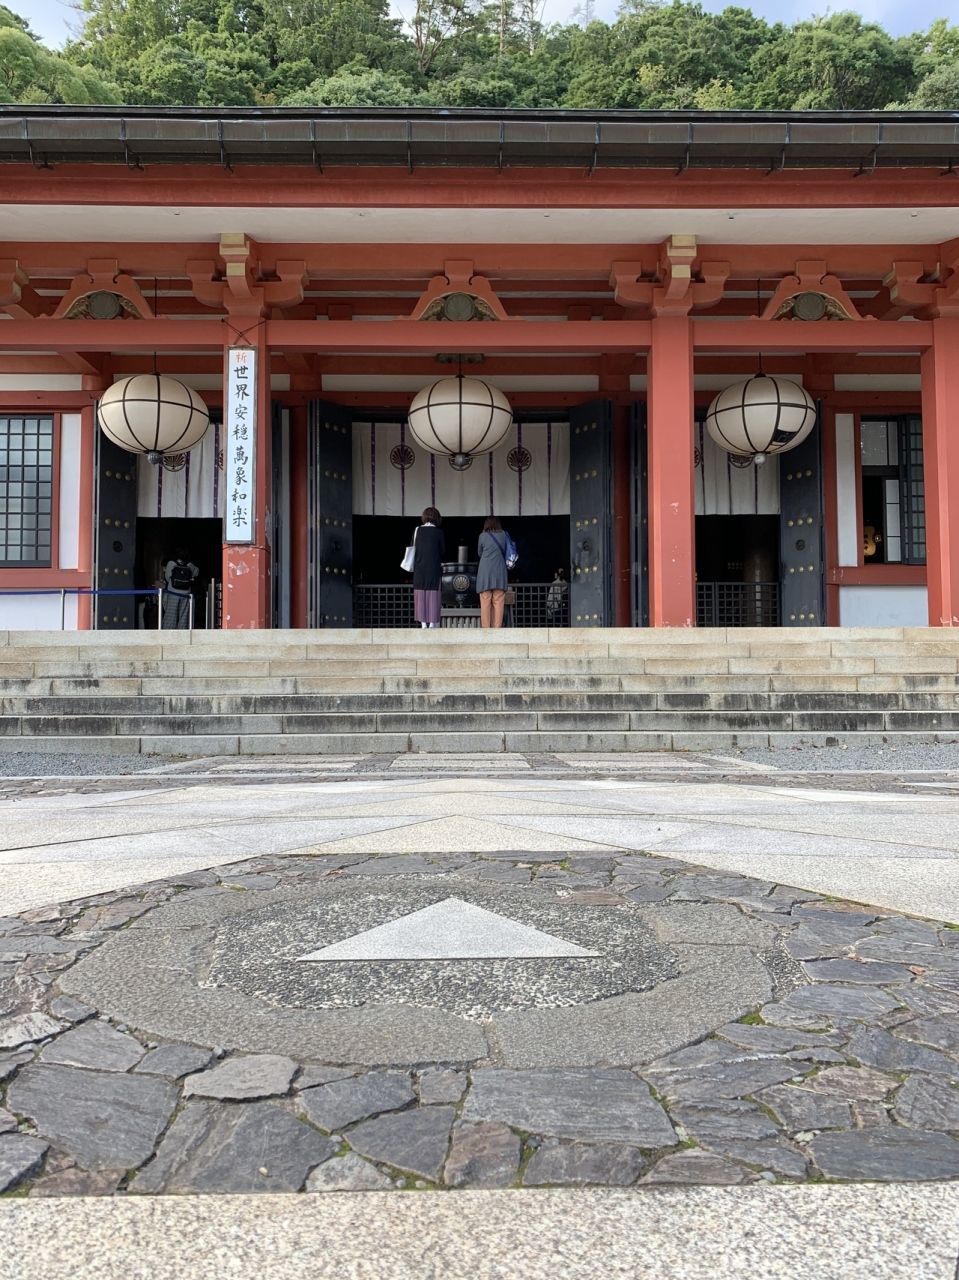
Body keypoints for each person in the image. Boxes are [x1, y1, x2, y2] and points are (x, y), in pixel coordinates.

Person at [412, 507, 445, 629]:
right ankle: (432, 623)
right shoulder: (438, 532)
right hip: (434, 568)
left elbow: (412, 548)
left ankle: (423, 623)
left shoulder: (417, 531)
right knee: (433, 595)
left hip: (419, 568)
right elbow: (443, 551)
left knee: (420, 594)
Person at [476, 515, 510, 629]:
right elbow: (506, 551)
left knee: (485, 600)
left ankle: (486, 629)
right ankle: (497, 629)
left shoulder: (482, 536)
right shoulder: (503, 535)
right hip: (499, 570)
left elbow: (479, 553)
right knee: (498, 600)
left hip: (485, 571)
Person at [161, 548, 199, 629]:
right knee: (183, 617)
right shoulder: (189, 564)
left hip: (173, 593)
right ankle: (182, 633)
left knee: (171, 616)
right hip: (185, 593)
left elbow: (167, 577)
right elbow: (196, 573)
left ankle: (169, 633)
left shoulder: (171, 563)